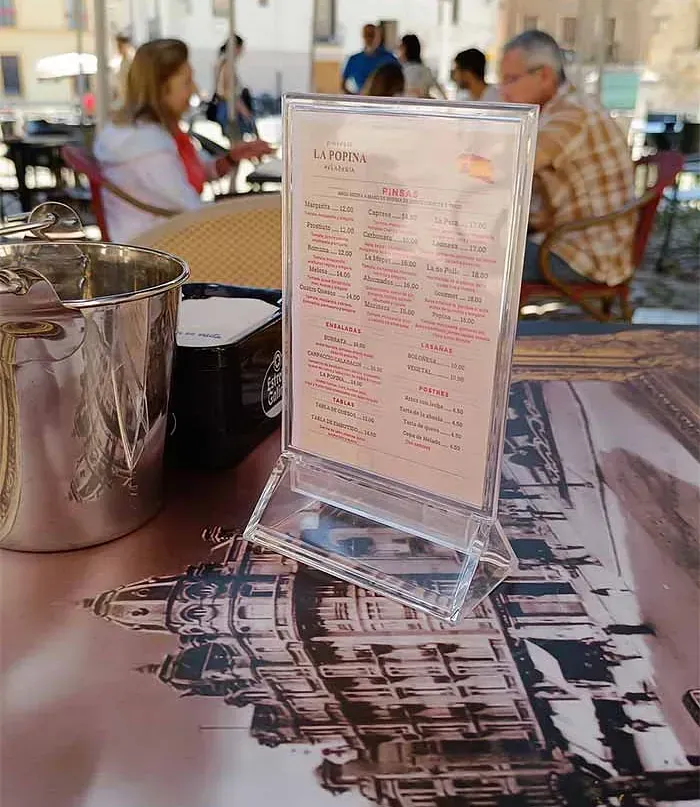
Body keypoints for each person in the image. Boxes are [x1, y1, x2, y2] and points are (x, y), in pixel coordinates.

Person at [94, 39, 272, 243]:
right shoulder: (149, 147)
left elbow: (194, 175)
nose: (195, 89)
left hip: (153, 239)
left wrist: (231, 158)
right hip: (159, 247)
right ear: (160, 89)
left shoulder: (141, 132)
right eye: (187, 82)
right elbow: (194, 211)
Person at [500, 30, 635, 286]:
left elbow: (513, 164)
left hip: (585, 252)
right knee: (477, 248)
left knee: (475, 260)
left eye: (510, 80)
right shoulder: (561, 108)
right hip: (566, 239)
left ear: (544, 75)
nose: (503, 91)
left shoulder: (573, 113)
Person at [215, 35, 256, 139]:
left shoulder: (222, 63)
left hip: (226, 108)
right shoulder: (227, 66)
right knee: (236, 141)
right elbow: (229, 92)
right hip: (230, 109)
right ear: (236, 48)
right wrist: (244, 111)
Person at [341, 23, 398, 94]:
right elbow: (343, 85)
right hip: (362, 98)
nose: (369, 38)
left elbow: (399, 83)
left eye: (372, 35)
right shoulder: (353, 60)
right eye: (367, 35)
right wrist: (356, 97)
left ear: (379, 37)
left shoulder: (390, 59)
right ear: (363, 36)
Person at [398, 34, 445, 99]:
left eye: (400, 47)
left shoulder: (402, 72)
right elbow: (443, 95)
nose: (398, 52)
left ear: (405, 49)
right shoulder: (426, 71)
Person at [112, 33, 135, 107]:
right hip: (125, 99)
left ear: (127, 45)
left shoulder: (132, 60)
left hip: (132, 99)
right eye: (118, 46)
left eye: (120, 46)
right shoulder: (122, 61)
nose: (118, 48)